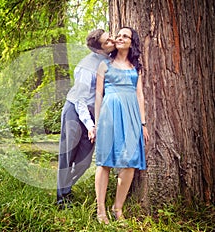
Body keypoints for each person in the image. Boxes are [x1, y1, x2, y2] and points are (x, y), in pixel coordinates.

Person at [94, 27, 149, 224]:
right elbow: (98, 95)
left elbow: (139, 94)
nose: (120, 37)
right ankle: (101, 211)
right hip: (109, 114)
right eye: (118, 35)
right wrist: (97, 122)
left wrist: (142, 123)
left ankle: (117, 208)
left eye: (125, 36)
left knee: (130, 162)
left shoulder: (136, 67)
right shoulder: (104, 65)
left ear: (132, 42)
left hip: (131, 115)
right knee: (105, 161)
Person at [56, 29, 116, 209]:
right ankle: (62, 198)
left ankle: (66, 186)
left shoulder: (110, 60)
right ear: (98, 49)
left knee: (84, 161)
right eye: (107, 42)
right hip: (75, 111)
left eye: (111, 37)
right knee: (68, 155)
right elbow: (80, 99)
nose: (112, 41)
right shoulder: (86, 66)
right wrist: (90, 125)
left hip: (93, 113)